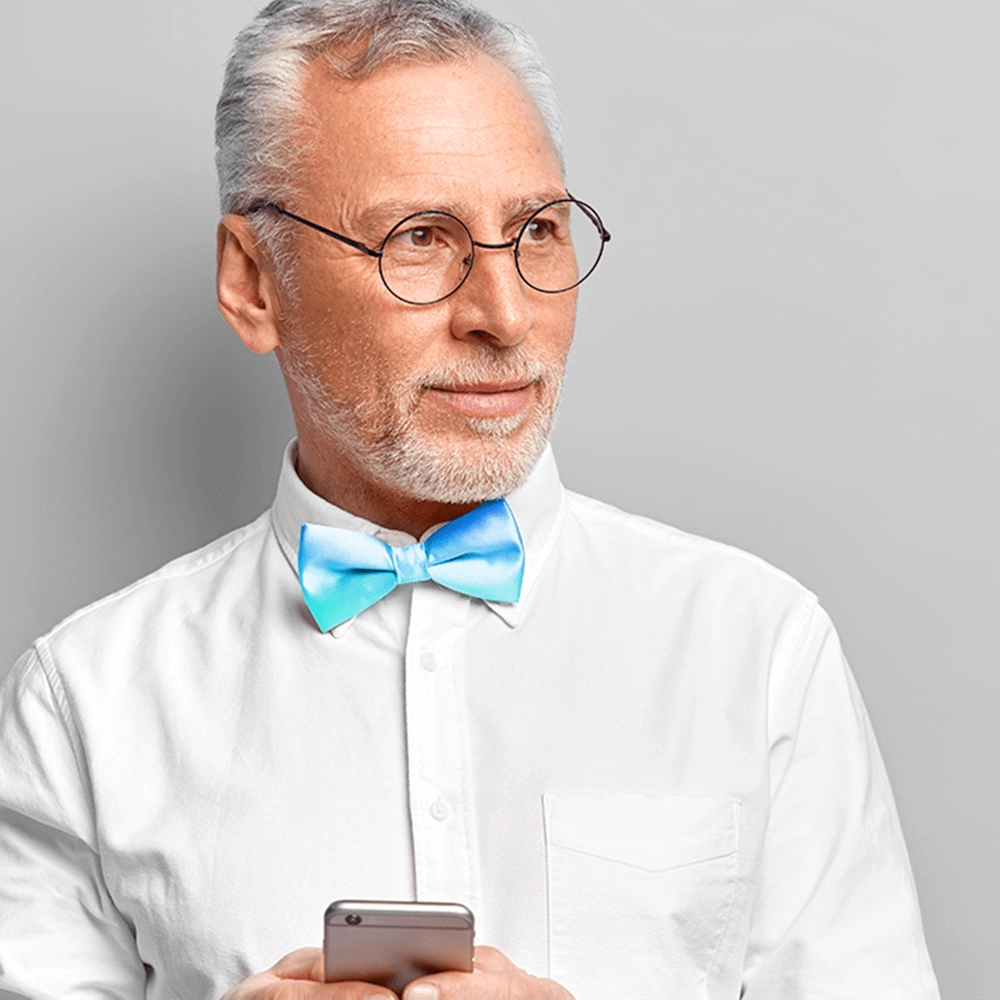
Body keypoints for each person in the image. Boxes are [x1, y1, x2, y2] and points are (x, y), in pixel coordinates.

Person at [0, 1, 940, 998]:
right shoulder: (84, 703)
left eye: (536, 229)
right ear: (252, 284)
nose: (504, 313)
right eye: (418, 238)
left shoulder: (758, 650)